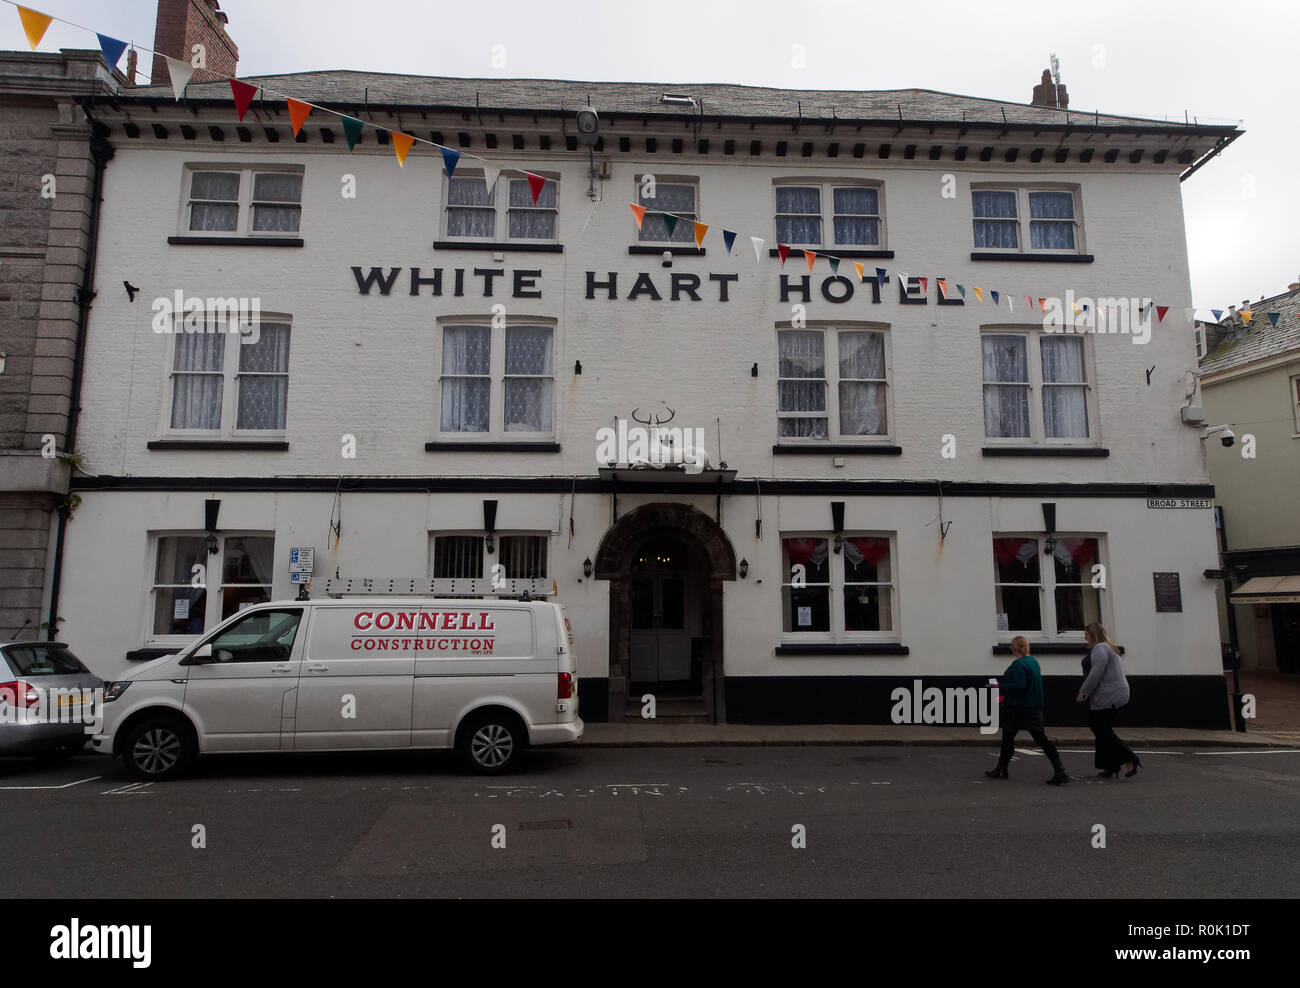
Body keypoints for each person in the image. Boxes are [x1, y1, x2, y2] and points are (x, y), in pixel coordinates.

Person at [985, 636, 1070, 785]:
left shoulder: (1019, 664)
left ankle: (1001, 769)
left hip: (1018, 707)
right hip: (1033, 706)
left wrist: (998, 686)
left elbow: (1020, 685)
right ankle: (1059, 770)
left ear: (1014, 648)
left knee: (1009, 739)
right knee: (1040, 739)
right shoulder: (1033, 662)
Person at [1078, 622, 1140, 778]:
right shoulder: (1107, 647)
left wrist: (1084, 691)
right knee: (1101, 728)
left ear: (1094, 634)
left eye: (1087, 633)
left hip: (1108, 694)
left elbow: (1097, 672)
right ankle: (1110, 765)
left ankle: (1129, 757)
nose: (1085, 636)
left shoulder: (1100, 648)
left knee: (1099, 727)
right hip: (1111, 693)